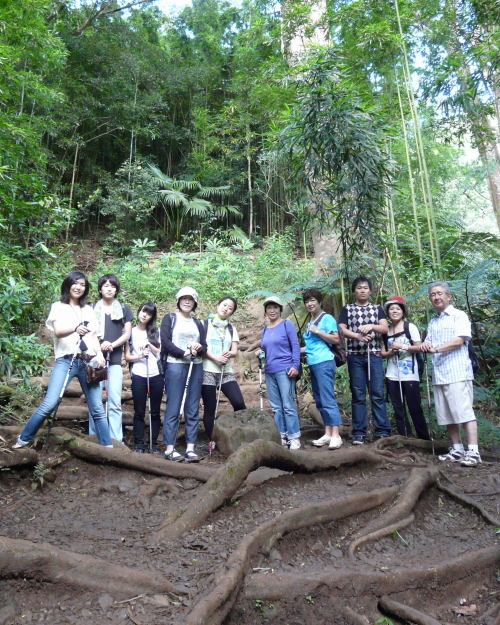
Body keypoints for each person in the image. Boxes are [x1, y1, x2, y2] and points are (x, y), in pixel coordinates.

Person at [13, 271, 112, 449]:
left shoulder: (88, 309)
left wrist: (99, 354)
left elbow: (93, 336)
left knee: (97, 408)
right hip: (66, 360)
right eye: (75, 283)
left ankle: (108, 448)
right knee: (49, 403)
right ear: (67, 285)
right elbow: (57, 331)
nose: (78, 287)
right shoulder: (58, 306)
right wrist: (75, 328)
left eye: (82, 284)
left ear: (86, 287)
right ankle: (24, 438)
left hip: (88, 361)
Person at [421, 281, 481, 467]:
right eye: (433, 294)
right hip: (440, 373)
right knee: (447, 414)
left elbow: (460, 340)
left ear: (448, 296)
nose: (436, 297)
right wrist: (426, 345)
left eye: (440, 293)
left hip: (457, 371)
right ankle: (457, 449)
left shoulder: (459, 316)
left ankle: (473, 451)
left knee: (463, 412)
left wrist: (437, 349)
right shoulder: (433, 321)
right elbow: (428, 342)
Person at [338, 276, 391, 444]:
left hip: (374, 355)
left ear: (370, 291)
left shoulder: (377, 309)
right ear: (354, 291)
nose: (362, 290)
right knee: (358, 394)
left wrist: (371, 326)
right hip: (355, 355)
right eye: (359, 288)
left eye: (365, 288)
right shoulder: (347, 309)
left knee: (377, 393)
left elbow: (384, 327)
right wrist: (356, 336)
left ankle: (382, 431)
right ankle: (359, 431)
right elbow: (340, 328)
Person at [160, 287, 207, 462]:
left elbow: (204, 345)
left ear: (195, 302)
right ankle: (169, 448)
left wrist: (198, 348)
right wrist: (182, 352)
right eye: (183, 298)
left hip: (195, 367)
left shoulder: (198, 323)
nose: (187, 301)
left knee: (192, 406)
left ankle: (190, 447)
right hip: (175, 365)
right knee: (174, 405)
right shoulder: (170, 318)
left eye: (190, 299)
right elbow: (165, 341)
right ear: (178, 301)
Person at [89, 274, 133, 442]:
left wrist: (112, 344)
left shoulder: (123, 309)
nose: (109, 288)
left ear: (116, 290)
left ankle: (116, 439)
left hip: (114, 361)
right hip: (95, 360)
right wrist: (99, 346)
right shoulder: (92, 308)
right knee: (95, 401)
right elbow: (89, 333)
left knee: (114, 401)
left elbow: (127, 334)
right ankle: (94, 437)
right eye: (106, 285)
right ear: (100, 289)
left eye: (113, 286)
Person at [381, 296, 430, 440]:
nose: (394, 311)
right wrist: (391, 352)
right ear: (387, 312)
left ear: (402, 311)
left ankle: (423, 439)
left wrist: (401, 346)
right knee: (398, 408)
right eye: (391, 309)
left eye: (397, 308)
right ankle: (405, 438)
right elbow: (383, 353)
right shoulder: (385, 330)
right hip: (392, 374)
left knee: (414, 407)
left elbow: (419, 348)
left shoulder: (410, 327)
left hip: (410, 373)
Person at [255, 296, 301, 449]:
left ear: (280, 309)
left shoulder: (287, 324)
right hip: (270, 370)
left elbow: (295, 346)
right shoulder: (265, 330)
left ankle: (294, 437)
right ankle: (281, 435)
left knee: (287, 405)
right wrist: (260, 352)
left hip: (285, 369)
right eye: (269, 308)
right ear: (266, 311)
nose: (272, 310)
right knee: (276, 407)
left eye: (275, 307)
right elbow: (266, 349)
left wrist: (295, 365)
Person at [302, 289, 344, 450]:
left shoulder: (326, 318)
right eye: (307, 301)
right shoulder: (311, 320)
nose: (310, 304)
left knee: (327, 398)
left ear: (319, 301)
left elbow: (335, 339)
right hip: (313, 362)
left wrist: (318, 331)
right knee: (319, 399)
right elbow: (311, 346)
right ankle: (327, 433)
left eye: (312, 300)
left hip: (324, 362)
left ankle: (336, 435)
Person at [202, 296, 246, 442]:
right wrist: (215, 357)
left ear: (232, 312)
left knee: (239, 403)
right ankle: (212, 440)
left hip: (225, 371)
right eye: (224, 305)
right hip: (207, 370)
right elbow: (201, 346)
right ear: (218, 305)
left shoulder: (231, 329)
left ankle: (238, 435)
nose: (226, 308)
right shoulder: (205, 324)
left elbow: (234, 350)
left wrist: (229, 354)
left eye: (230, 308)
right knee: (210, 406)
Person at [125, 302, 163, 453]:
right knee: (139, 411)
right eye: (142, 311)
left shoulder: (156, 331)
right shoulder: (130, 332)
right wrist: (140, 355)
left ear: (152, 316)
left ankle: (153, 444)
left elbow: (160, 352)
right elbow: (127, 357)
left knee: (155, 411)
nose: (144, 315)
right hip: (139, 374)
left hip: (155, 374)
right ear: (139, 311)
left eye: (148, 313)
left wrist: (149, 344)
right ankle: (139, 444)